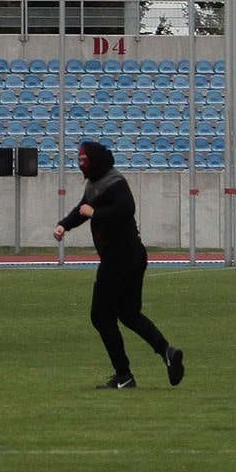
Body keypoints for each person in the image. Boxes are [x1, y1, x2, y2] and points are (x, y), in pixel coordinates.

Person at [52, 141, 184, 390]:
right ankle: (167, 351)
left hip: (119, 258)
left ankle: (124, 374)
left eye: (84, 160)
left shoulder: (113, 182)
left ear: (95, 161)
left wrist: (95, 214)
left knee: (101, 316)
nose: (81, 164)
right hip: (132, 256)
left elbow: (125, 208)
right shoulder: (97, 183)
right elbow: (83, 209)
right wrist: (64, 225)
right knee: (128, 314)